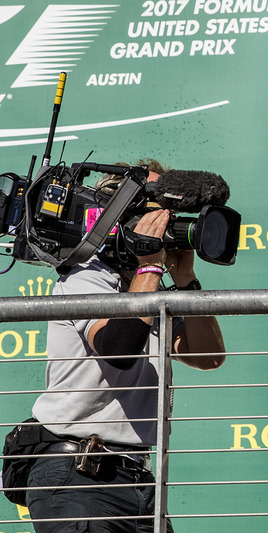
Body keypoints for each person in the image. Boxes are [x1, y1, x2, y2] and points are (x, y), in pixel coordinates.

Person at [24, 159, 226, 533]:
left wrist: (185, 281)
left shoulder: (154, 290)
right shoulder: (86, 279)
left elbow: (208, 356)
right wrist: (149, 268)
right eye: (153, 210)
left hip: (137, 481)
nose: (165, 222)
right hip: (77, 476)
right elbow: (118, 349)